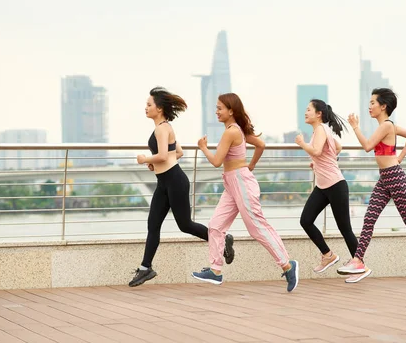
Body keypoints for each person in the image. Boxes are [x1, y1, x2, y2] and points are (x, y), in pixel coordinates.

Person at [191, 93, 299, 292]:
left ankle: (287, 265)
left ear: (231, 111)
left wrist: (203, 147)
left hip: (240, 182)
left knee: (257, 227)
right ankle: (215, 271)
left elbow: (216, 162)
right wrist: (251, 165)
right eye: (216, 107)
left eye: (220, 108)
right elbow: (261, 145)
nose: (216, 111)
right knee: (215, 226)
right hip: (233, 183)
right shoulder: (238, 130)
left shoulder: (231, 132)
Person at [337, 88, 406, 284]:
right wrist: (399, 158)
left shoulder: (386, 126)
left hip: (394, 177)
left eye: (372, 103)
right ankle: (358, 261)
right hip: (385, 178)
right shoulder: (389, 127)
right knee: (369, 218)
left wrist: (355, 127)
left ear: (383, 106)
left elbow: (368, 146)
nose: (369, 106)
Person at [129, 87, 234, 287]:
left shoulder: (162, 128)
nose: (146, 108)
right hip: (165, 182)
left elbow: (162, 155)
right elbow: (177, 153)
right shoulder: (163, 127)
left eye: (149, 105)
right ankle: (145, 268)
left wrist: (145, 159)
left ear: (159, 109)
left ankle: (223, 239)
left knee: (185, 224)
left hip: (175, 181)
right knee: (153, 224)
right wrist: (155, 163)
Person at [295, 99, 358, 273]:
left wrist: (302, 143)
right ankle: (328, 255)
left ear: (318, 114)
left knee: (344, 228)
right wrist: (318, 162)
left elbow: (315, 150)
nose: (305, 112)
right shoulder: (321, 130)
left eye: (308, 109)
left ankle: (359, 262)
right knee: (306, 220)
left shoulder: (321, 129)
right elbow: (338, 147)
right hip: (323, 187)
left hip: (336, 185)